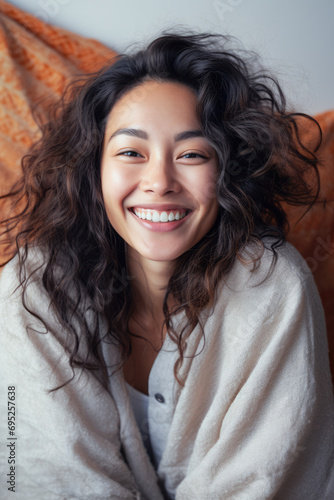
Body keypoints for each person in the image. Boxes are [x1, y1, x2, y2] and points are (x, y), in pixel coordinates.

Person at [0, 31, 333, 500]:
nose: (159, 181)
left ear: (228, 172)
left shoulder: (273, 286)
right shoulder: (30, 289)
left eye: (192, 154)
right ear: (92, 169)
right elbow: (31, 469)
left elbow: (264, 481)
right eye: (131, 152)